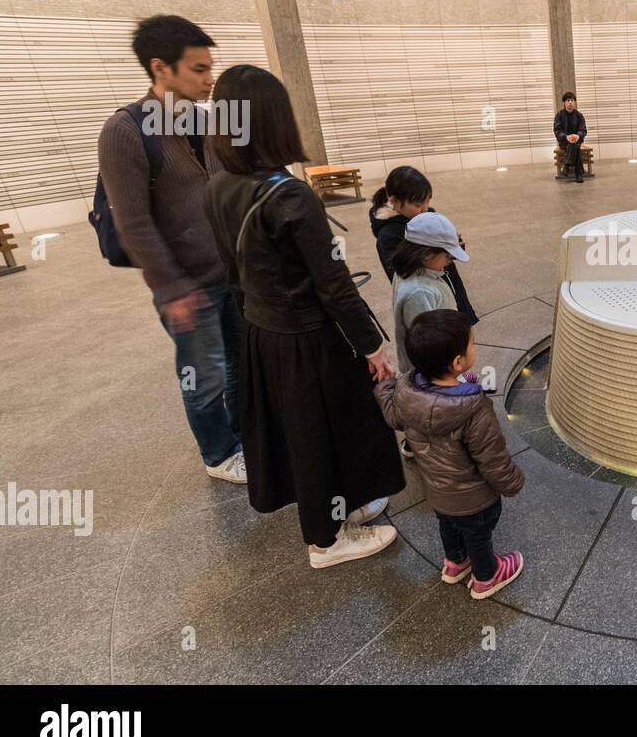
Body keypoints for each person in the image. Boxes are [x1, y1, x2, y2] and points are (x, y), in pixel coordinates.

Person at [203, 64, 403, 569]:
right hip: (309, 338)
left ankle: (344, 507)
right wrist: (372, 346)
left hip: (263, 331)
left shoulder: (220, 184)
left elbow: (231, 272)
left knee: (306, 431)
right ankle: (325, 540)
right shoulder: (288, 194)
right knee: (324, 431)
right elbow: (333, 283)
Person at [96, 15, 245, 484]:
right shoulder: (125, 130)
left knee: (240, 367)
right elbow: (133, 221)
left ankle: (245, 437)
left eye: (210, 68)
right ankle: (219, 454)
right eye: (198, 69)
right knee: (204, 376)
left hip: (232, 274)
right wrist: (172, 287)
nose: (209, 78)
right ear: (160, 68)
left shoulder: (209, 121)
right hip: (185, 283)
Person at [375, 309, 525, 599]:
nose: (474, 347)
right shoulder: (474, 409)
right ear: (457, 361)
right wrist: (512, 482)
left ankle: (455, 563)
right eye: (472, 343)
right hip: (475, 499)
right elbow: (491, 458)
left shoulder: (406, 391)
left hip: (438, 493)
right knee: (478, 535)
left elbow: (393, 415)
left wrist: (385, 386)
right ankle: (487, 576)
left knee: (449, 526)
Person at [368, 165, 478, 325]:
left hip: (450, 287)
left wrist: (454, 246)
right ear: (394, 201)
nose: (425, 208)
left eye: (427, 201)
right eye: (418, 205)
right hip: (430, 303)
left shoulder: (426, 214)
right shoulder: (388, 236)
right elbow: (401, 274)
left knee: (464, 331)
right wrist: (436, 252)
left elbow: (443, 248)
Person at [390, 211, 469, 374]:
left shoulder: (409, 270)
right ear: (426, 255)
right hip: (434, 375)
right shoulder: (419, 292)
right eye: (448, 255)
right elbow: (428, 347)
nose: (450, 261)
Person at [553, 91, 588, 184]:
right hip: (564, 142)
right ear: (564, 103)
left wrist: (578, 135)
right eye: (568, 101)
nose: (570, 102)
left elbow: (583, 130)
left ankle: (567, 165)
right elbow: (557, 130)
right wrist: (566, 136)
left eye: (572, 100)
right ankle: (579, 174)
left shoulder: (579, 115)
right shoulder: (559, 115)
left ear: (575, 102)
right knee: (575, 146)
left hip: (577, 140)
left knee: (575, 144)